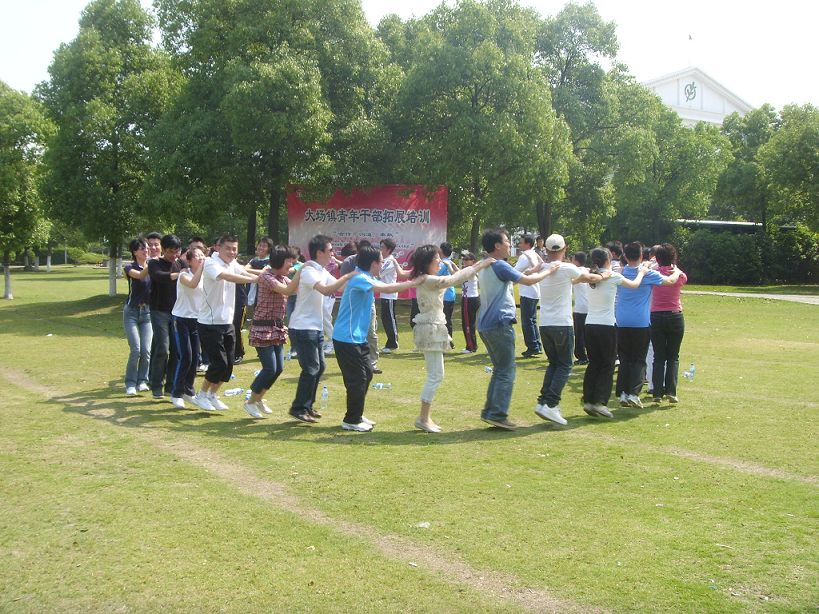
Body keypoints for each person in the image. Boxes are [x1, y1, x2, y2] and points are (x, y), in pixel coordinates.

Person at [333, 246, 425, 432]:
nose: (382, 265)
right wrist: (415, 282)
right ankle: (351, 419)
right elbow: (389, 287)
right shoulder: (360, 278)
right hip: (346, 337)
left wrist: (416, 275)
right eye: (381, 262)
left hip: (357, 338)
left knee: (366, 373)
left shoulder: (366, 277)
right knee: (358, 378)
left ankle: (356, 414)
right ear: (373, 263)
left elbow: (392, 282)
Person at [476, 228, 559, 430]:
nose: (509, 245)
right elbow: (528, 280)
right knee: (506, 371)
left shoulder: (486, 265)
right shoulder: (500, 265)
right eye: (506, 241)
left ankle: (491, 412)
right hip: (499, 324)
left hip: (485, 324)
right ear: (497, 245)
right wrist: (549, 270)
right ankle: (496, 413)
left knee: (500, 369)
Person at [410, 245, 495, 432]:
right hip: (430, 329)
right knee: (435, 376)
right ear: (428, 262)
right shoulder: (429, 280)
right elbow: (454, 279)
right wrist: (479, 265)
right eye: (436, 259)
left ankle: (425, 417)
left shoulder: (426, 278)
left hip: (432, 327)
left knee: (436, 375)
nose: (440, 261)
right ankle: (423, 418)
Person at [532, 234, 610, 426]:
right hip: (562, 324)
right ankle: (550, 404)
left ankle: (544, 402)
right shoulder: (567, 268)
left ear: (547, 250)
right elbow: (588, 277)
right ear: (564, 249)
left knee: (554, 364)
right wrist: (604, 275)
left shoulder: (544, 268)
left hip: (545, 324)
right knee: (565, 365)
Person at [288, 235, 359, 423]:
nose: (332, 254)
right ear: (319, 252)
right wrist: (347, 275)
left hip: (315, 327)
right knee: (312, 368)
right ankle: (298, 408)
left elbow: (340, 288)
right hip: (303, 327)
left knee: (319, 368)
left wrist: (360, 279)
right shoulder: (310, 270)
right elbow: (326, 290)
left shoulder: (321, 270)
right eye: (329, 250)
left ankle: (307, 405)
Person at [192, 235, 259, 412]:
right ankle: (202, 395)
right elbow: (228, 277)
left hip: (227, 321)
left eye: (234, 249)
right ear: (217, 247)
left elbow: (245, 272)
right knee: (219, 363)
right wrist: (255, 280)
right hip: (209, 323)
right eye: (228, 248)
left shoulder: (232, 263)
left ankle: (212, 395)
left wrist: (270, 274)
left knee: (229, 364)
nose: (231, 252)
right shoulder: (210, 263)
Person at [582, 248, 648, 418]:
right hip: (606, 326)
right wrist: (641, 272)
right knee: (608, 364)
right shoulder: (613, 277)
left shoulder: (590, 276)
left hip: (589, 325)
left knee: (594, 364)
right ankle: (600, 402)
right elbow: (634, 285)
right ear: (608, 260)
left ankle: (589, 400)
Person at [615, 242, 681, 409]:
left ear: (625, 255)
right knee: (639, 359)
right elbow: (669, 281)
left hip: (621, 320)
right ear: (641, 256)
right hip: (640, 321)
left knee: (625, 359)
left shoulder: (620, 272)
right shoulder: (647, 273)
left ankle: (622, 392)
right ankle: (633, 393)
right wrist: (678, 271)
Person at [244, 245, 301, 419]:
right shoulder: (267, 277)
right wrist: (301, 271)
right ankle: (250, 402)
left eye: (292, 261)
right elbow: (288, 291)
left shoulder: (281, 276)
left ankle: (259, 398)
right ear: (278, 261)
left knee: (278, 368)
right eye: (288, 261)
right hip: (262, 328)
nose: (291, 264)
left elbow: (296, 289)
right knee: (270, 368)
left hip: (276, 328)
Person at [649, 243, 688, 403]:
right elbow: (683, 278)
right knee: (673, 356)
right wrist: (675, 267)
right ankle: (671, 391)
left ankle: (657, 392)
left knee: (658, 356)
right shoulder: (679, 275)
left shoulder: (653, 273)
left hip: (656, 316)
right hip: (674, 315)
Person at [169, 246, 205, 409]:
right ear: (189, 261)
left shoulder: (205, 276)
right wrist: (204, 267)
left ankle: (188, 390)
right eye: (198, 256)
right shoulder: (184, 275)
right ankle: (176, 393)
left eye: (203, 255)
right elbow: (192, 284)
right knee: (186, 357)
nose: (201, 258)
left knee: (196, 357)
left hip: (196, 320)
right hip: (181, 319)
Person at [147, 234, 182, 399]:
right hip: (158, 311)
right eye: (170, 252)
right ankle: (156, 385)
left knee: (176, 350)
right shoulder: (154, 263)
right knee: (162, 347)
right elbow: (160, 277)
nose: (173, 255)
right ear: (163, 249)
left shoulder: (179, 264)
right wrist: (180, 274)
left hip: (176, 312)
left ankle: (170, 386)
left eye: (176, 252)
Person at [341, 239, 381, 372]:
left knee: (371, 332)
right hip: (354, 303)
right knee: (355, 332)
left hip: (369, 302)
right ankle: (359, 362)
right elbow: (344, 284)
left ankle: (372, 363)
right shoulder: (349, 263)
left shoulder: (372, 266)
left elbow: (377, 281)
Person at [123, 238, 152, 396]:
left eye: (147, 248)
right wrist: (151, 264)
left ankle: (142, 381)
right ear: (135, 252)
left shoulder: (152, 266)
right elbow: (140, 276)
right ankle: (130, 383)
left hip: (147, 313)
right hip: (131, 313)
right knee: (136, 349)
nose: (146, 250)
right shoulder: (129, 268)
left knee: (146, 350)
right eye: (142, 248)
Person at [515, 234, 543, 358]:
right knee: (532, 320)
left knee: (527, 321)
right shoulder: (534, 254)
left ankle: (532, 347)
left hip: (527, 291)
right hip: (535, 291)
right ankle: (536, 345)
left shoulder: (524, 256)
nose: (519, 244)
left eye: (521, 242)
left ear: (527, 244)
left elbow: (514, 271)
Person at [379, 238, 400, 353]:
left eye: (382, 247)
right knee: (385, 318)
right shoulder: (384, 260)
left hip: (390, 294)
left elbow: (380, 273)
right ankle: (390, 342)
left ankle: (393, 343)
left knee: (390, 319)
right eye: (380, 247)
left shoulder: (390, 261)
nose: (380, 249)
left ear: (389, 249)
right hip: (384, 293)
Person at [437, 242, 459, 349]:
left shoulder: (443, 263)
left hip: (445, 295)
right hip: (449, 294)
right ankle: (448, 342)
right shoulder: (447, 262)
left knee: (445, 320)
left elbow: (434, 274)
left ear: (441, 251)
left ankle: (448, 343)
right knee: (447, 319)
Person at [459, 251, 480, 353]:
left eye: (467, 259)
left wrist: (451, 266)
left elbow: (457, 275)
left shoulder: (471, 270)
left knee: (467, 324)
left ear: (473, 261)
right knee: (468, 323)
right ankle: (471, 345)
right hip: (468, 298)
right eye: (464, 259)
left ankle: (471, 347)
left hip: (470, 299)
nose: (465, 261)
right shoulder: (467, 270)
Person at [572, 251, 590, 365]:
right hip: (588, 306)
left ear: (577, 261)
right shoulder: (587, 271)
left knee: (579, 334)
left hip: (580, 307)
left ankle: (582, 356)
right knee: (586, 333)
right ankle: (587, 354)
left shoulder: (577, 272)